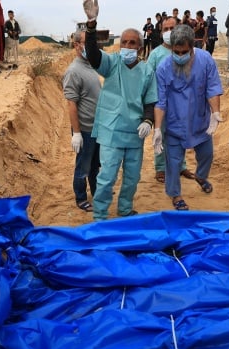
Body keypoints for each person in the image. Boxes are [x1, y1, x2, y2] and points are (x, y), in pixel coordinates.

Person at [82, 0, 158, 221]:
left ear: (140, 48)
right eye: (124, 42)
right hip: (112, 131)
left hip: (135, 133)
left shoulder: (146, 71)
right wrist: (91, 25)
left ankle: (125, 209)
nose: (127, 46)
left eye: (132, 43)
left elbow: (150, 101)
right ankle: (100, 215)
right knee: (106, 176)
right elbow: (93, 54)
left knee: (132, 177)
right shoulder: (112, 63)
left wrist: (148, 121)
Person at [153, 25, 223, 211]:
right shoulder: (163, 68)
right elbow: (160, 101)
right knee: (173, 163)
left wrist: (215, 113)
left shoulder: (205, 60)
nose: (180, 55)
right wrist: (158, 129)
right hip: (175, 123)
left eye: (184, 51)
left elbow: (213, 88)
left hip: (200, 120)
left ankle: (201, 176)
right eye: (176, 52)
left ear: (193, 47)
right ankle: (176, 195)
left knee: (207, 155)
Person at [147, 17, 197, 185]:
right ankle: (161, 167)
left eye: (172, 28)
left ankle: (180, 165)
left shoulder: (189, 52)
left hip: (182, 103)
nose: (168, 32)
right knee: (160, 135)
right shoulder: (155, 55)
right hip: (161, 103)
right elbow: (148, 79)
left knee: (180, 135)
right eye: (165, 28)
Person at [63, 30, 102, 213]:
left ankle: (96, 192)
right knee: (83, 165)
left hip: (96, 128)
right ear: (76, 45)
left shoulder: (90, 65)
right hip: (85, 129)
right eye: (87, 42)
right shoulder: (73, 71)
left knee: (95, 164)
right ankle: (80, 197)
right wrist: (76, 133)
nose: (90, 46)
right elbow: (72, 104)